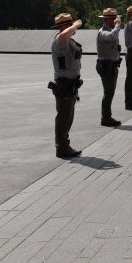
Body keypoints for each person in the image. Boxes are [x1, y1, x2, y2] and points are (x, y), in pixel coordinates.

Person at [50, 13, 84, 159]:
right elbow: (63, 35)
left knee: (68, 116)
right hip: (64, 84)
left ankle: (64, 145)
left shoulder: (68, 40)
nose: (74, 28)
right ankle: (61, 147)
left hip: (71, 84)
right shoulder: (60, 39)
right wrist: (75, 25)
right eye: (69, 25)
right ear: (65, 26)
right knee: (64, 117)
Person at [96, 8, 122, 127]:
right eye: (114, 19)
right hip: (106, 66)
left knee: (110, 92)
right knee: (108, 92)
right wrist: (117, 26)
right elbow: (111, 37)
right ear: (108, 20)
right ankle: (105, 117)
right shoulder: (103, 31)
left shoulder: (111, 30)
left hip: (111, 65)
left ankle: (106, 116)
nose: (116, 20)